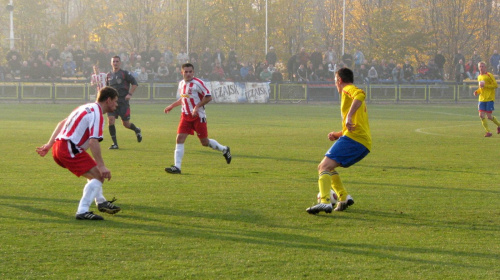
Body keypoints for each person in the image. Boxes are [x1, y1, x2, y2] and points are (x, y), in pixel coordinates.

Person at [36, 87, 122, 220]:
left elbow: (62, 123)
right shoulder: (97, 114)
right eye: (115, 101)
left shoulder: (86, 106)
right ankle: (82, 211)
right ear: (108, 100)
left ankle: (101, 202)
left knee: (94, 173)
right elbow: (93, 142)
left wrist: (49, 144)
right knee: (99, 176)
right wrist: (102, 166)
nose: (117, 104)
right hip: (69, 148)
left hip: (61, 147)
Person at [306, 67, 371, 214]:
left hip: (354, 140)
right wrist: (338, 134)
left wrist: (348, 116)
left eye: (335, 81)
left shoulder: (348, 88)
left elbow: (360, 94)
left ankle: (324, 202)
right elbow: (355, 125)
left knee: (323, 167)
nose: (335, 84)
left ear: (339, 80)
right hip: (360, 141)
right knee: (329, 167)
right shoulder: (347, 95)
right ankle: (343, 197)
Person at [164, 63, 232, 174]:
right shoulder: (181, 84)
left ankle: (224, 149)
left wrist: (197, 107)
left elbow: (209, 97)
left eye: (190, 71)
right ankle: (177, 167)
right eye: (186, 72)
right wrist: (171, 106)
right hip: (185, 116)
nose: (188, 73)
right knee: (179, 139)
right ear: (182, 72)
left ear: (193, 72)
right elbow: (183, 99)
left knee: (204, 142)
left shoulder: (198, 83)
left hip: (198, 117)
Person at [106, 56, 142, 149]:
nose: (115, 63)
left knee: (126, 124)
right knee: (111, 120)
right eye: (113, 61)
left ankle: (136, 130)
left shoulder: (125, 73)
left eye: (117, 61)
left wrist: (129, 94)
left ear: (120, 63)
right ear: (111, 63)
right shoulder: (108, 75)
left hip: (123, 102)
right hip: (112, 103)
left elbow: (135, 83)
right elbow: (107, 89)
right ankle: (115, 144)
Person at [474, 61, 500, 137]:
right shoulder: (479, 76)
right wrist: (477, 91)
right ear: (478, 68)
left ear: (485, 67)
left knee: (489, 116)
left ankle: (499, 125)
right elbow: (481, 88)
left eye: (482, 66)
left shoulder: (489, 75)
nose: (481, 68)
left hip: (489, 98)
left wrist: (486, 86)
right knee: (481, 115)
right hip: (481, 99)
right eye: (480, 67)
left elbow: (495, 85)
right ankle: (488, 132)